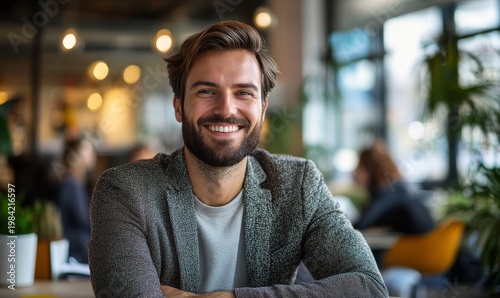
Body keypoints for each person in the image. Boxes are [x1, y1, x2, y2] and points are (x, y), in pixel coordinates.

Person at [88, 20, 388, 297]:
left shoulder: (298, 185)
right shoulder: (126, 192)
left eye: (243, 93)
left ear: (263, 108)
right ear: (179, 108)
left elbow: (369, 288)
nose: (226, 109)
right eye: (207, 91)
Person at [352, 141, 434, 234]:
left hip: (418, 247)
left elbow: (361, 225)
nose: (354, 174)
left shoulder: (391, 193)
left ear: (372, 170)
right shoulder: (398, 189)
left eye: (359, 167)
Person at [57, 135, 96, 264]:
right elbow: (84, 220)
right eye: (87, 150)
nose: (92, 154)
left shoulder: (77, 182)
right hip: (76, 249)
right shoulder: (72, 184)